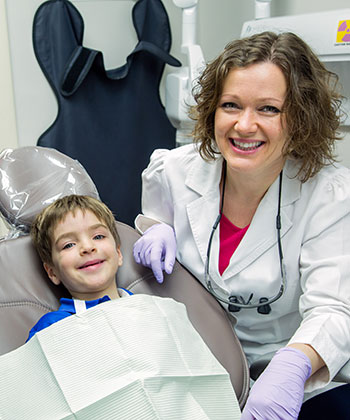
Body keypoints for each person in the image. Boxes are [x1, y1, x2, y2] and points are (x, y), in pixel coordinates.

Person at [133, 31, 350, 419]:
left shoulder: (332, 195)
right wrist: (154, 228)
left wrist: (293, 367)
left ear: (301, 117)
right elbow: (154, 223)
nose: (244, 125)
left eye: (268, 109)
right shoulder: (174, 171)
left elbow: (334, 310)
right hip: (198, 362)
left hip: (294, 366)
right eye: (231, 105)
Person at [27, 194, 132, 341]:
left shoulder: (148, 306)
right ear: (52, 272)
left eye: (98, 236)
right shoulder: (51, 328)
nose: (88, 247)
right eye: (68, 245)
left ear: (118, 253)